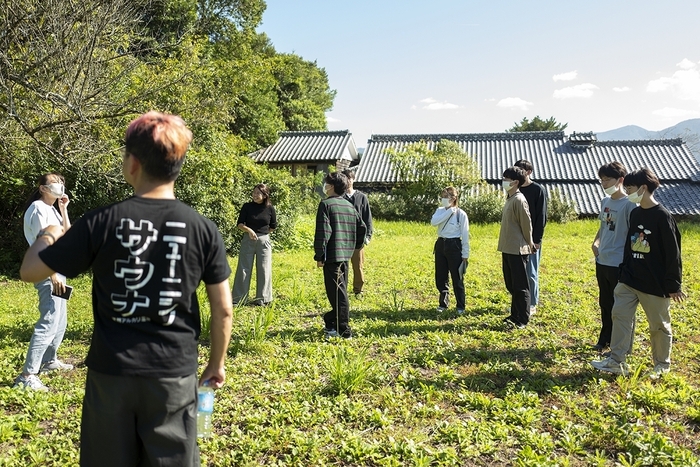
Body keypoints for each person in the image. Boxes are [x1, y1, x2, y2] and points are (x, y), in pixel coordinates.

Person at [20, 111, 233, 466]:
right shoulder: (202, 228)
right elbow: (223, 309)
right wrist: (216, 364)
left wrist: (50, 232)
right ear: (178, 165)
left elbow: (30, 271)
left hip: (111, 375)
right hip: (174, 374)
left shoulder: (100, 221)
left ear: (132, 163)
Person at [591, 168, 685, 377]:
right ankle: (617, 360)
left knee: (658, 325)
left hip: (654, 282)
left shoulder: (662, 216)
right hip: (630, 278)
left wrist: (673, 285)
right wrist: (625, 269)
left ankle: (662, 365)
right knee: (620, 315)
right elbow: (629, 244)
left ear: (643, 188)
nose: (627, 191)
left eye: (630, 188)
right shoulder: (635, 213)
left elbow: (673, 253)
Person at [13, 173, 73, 391]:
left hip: (58, 269)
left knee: (60, 319)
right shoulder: (38, 208)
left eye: (61, 182)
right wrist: (52, 273)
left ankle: (49, 361)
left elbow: (67, 234)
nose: (60, 185)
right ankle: (27, 375)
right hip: (48, 271)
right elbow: (42, 242)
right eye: (55, 182)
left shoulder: (52, 210)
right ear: (43, 188)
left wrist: (63, 209)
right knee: (48, 320)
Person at [314, 172, 366, 339]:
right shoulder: (349, 205)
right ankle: (330, 321)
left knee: (337, 293)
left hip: (332, 255)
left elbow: (323, 232)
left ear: (332, 186)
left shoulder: (326, 205)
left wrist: (319, 255)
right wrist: (354, 246)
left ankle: (343, 329)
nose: (325, 185)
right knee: (339, 290)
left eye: (326, 183)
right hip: (345, 255)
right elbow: (362, 228)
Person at [590, 162, 636, 352]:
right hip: (602, 260)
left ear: (620, 180)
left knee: (621, 308)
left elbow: (633, 236)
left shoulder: (630, 205)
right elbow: (603, 227)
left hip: (619, 264)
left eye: (608, 179)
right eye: (602, 179)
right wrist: (596, 242)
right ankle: (605, 338)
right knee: (605, 303)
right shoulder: (604, 202)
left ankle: (622, 344)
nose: (604, 183)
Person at [498, 167, 535, 329]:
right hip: (508, 247)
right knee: (511, 284)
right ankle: (514, 314)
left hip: (518, 249)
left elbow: (526, 225)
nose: (504, 181)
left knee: (520, 286)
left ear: (515, 182)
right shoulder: (510, 198)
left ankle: (523, 318)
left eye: (507, 178)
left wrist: (530, 243)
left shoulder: (519, 200)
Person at [232, 183, 277, 306]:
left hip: (264, 241)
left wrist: (262, 235)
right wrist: (250, 231)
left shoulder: (270, 208)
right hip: (248, 239)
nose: (255, 195)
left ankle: (263, 299)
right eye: (254, 192)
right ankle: (238, 299)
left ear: (265, 195)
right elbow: (240, 224)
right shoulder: (247, 207)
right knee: (244, 268)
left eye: (258, 193)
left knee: (264, 269)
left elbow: (273, 226)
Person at [514, 160, 547, 315]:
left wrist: (537, 240)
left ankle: (532, 303)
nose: (519, 172)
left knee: (531, 272)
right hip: (516, 237)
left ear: (529, 172)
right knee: (518, 272)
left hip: (532, 238)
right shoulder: (515, 190)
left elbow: (541, 216)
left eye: (521, 169)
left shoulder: (537, 189)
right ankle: (521, 302)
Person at [430, 186, 470, 315]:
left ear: (454, 198)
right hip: (441, 244)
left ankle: (460, 305)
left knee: (457, 276)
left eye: (446, 197)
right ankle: (443, 303)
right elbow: (434, 222)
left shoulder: (461, 214)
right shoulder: (440, 211)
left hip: (454, 245)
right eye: (442, 196)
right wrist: (449, 211)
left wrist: (465, 254)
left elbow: (465, 235)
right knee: (441, 276)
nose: (443, 199)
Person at [342, 168, 373, 299]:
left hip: (358, 238)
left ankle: (358, 290)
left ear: (353, 179)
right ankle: (341, 290)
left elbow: (368, 218)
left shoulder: (361, 197)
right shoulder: (340, 197)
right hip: (342, 237)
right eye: (346, 178)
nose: (348, 181)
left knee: (358, 265)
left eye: (350, 178)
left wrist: (368, 235)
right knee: (342, 266)